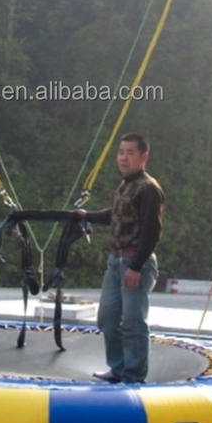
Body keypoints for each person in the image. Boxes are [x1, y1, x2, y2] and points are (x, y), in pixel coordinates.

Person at [77, 132, 164, 384]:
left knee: (133, 322)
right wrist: (88, 216)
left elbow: (151, 231)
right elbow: (115, 215)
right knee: (108, 317)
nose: (124, 158)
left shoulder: (149, 189)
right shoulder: (126, 184)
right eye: (121, 152)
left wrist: (136, 266)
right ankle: (118, 368)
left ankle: (134, 376)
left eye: (130, 153)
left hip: (135, 262)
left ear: (143, 157)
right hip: (115, 262)